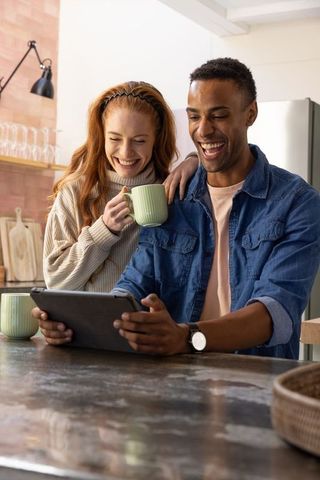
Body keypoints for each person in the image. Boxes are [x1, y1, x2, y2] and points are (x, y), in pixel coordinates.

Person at [35, 58, 320, 359]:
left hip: (255, 384)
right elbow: (132, 287)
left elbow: (276, 312)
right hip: (175, 382)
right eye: (194, 117)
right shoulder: (172, 197)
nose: (204, 130)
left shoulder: (297, 203)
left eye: (219, 115)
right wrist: (73, 326)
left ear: (250, 113)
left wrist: (187, 337)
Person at [42, 80, 196, 292]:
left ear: (157, 140)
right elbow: (56, 282)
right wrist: (103, 230)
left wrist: (195, 161)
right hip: (87, 324)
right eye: (115, 138)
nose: (125, 152)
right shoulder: (74, 192)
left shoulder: (171, 189)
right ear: (101, 137)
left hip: (151, 324)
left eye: (139, 141)